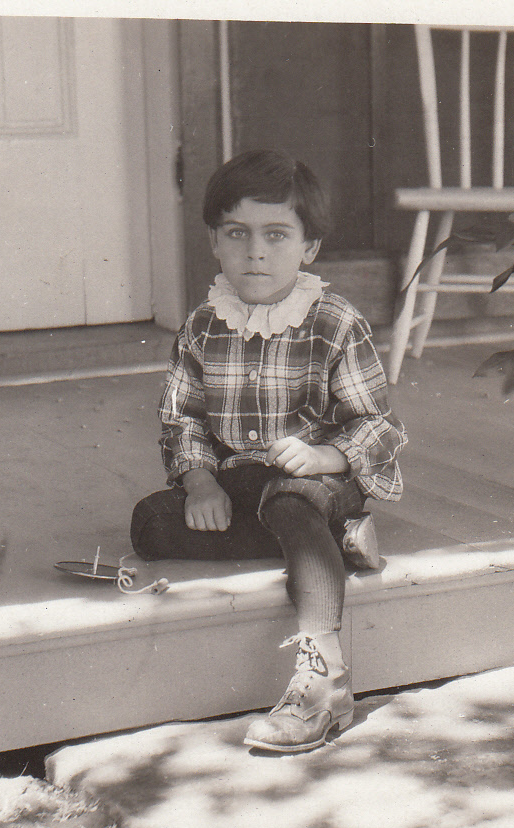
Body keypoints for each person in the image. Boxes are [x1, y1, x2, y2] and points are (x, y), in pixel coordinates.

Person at [130, 149, 406, 754]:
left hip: (318, 476)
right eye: (238, 234)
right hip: (243, 479)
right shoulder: (203, 325)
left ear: (309, 248)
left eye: (276, 235)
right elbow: (181, 419)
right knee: (152, 524)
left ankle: (323, 679)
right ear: (215, 242)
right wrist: (200, 481)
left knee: (290, 501)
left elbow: (377, 424)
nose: (256, 251)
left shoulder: (334, 322)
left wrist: (330, 457)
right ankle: (336, 544)